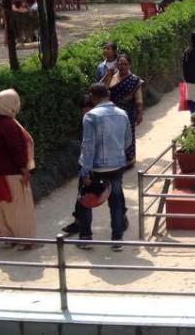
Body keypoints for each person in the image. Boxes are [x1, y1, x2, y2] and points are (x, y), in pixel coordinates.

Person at [74, 82, 133, 251]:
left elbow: (88, 146)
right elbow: (128, 140)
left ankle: (86, 238)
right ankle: (117, 240)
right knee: (116, 202)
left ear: (93, 97)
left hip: (95, 168)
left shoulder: (90, 116)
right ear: (108, 95)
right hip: (116, 166)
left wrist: (85, 171)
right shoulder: (122, 114)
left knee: (85, 202)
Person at [0, 89, 37, 249]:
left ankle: (9, 238)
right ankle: (25, 241)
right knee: (19, 209)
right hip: (11, 174)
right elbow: (17, 150)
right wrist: (25, 170)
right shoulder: (9, 124)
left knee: (2, 209)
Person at [103, 53, 143, 165]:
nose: (123, 66)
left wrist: (139, 114)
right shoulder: (112, 77)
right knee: (113, 136)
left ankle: (128, 159)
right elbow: (104, 91)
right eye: (120, 64)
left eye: (125, 64)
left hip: (127, 113)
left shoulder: (134, 80)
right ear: (117, 64)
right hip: (111, 112)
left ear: (129, 65)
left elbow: (139, 99)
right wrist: (108, 75)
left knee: (127, 135)